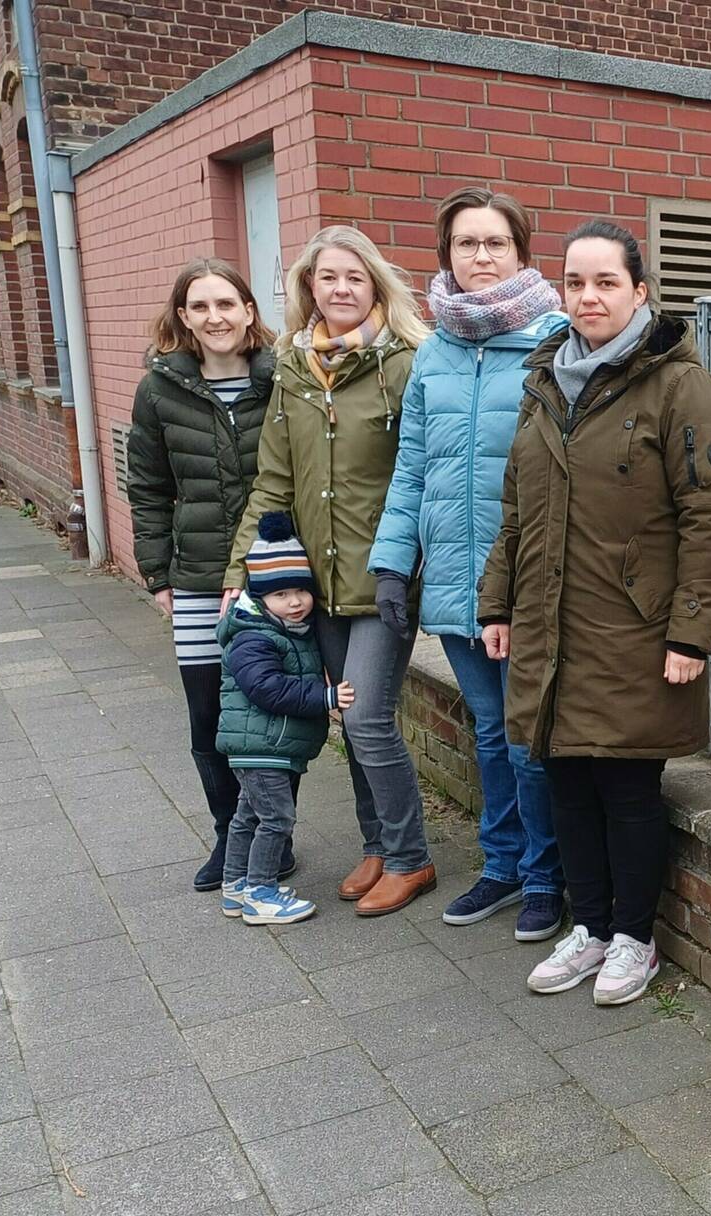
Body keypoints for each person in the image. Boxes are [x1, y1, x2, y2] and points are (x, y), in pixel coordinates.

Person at [478, 219, 711, 1005]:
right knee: (565, 779)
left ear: (639, 293)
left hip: (635, 628)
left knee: (627, 790)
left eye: (606, 283)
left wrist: (692, 629)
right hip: (550, 622)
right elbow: (517, 509)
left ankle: (634, 939)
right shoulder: (544, 380)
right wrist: (499, 602)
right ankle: (587, 928)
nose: (588, 297)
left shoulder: (677, 383)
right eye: (576, 283)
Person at [371, 188, 569, 940]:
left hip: (524, 581)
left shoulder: (555, 343)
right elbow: (412, 466)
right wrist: (394, 563)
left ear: (522, 252)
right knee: (490, 731)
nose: (480, 257)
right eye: (465, 244)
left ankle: (546, 877)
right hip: (454, 575)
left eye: (495, 243)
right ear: (445, 253)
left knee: (530, 740)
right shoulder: (435, 352)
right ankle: (503, 864)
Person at [227, 225, 438, 918]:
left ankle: (410, 859)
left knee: (369, 718)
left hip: (381, 580)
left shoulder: (406, 363)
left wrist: (406, 562)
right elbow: (274, 480)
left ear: (374, 284)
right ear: (308, 289)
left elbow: (422, 478)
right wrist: (242, 570)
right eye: (328, 278)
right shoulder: (292, 368)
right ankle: (377, 845)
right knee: (350, 721)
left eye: (354, 277)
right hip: (315, 586)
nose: (341, 289)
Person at [125, 257, 297, 892]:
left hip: (276, 576)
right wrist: (157, 575)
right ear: (183, 318)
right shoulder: (158, 390)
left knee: (272, 708)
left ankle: (273, 835)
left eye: (227, 304)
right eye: (200, 307)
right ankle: (231, 832)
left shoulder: (284, 380)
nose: (214, 317)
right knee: (209, 717)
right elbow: (146, 487)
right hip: (197, 577)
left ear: (250, 312)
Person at [216, 513, 355, 926]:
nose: (295, 601)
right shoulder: (252, 637)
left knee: (248, 816)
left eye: (300, 590)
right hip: (261, 747)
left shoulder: (286, 628)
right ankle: (261, 892)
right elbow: (268, 689)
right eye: (281, 595)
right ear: (260, 599)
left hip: (262, 747)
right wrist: (326, 696)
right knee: (277, 818)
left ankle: (235, 885)